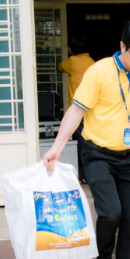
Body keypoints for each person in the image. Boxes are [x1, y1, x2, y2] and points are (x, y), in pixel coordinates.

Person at [42, 18, 130, 259]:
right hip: (97, 154)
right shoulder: (98, 72)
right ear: (123, 46)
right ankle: (104, 253)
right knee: (110, 213)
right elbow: (76, 110)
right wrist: (57, 148)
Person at [56, 35, 95, 184]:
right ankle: (89, 174)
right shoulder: (92, 63)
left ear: (70, 49)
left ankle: (86, 175)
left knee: (83, 143)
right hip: (92, 110)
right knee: (90, 142)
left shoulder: (71, 62)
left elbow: (58, 68)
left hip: (78, 111)